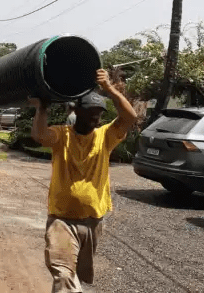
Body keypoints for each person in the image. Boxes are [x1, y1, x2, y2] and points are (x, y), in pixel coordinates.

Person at [29, 69, 137, 293]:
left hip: (92, 222)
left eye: (99, 112)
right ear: (76, 111)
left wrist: (109, 89)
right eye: (90, 111)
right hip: (61, 221)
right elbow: (40, 136)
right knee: (63, 272)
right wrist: (42, 109)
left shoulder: (105, 137)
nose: (95, 117)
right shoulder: (62, 135)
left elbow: (130, 118)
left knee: (75, 275)